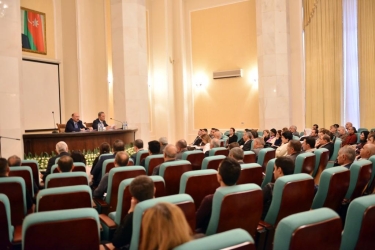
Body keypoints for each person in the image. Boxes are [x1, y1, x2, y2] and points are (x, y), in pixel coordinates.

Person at [195, 157, 241, 233]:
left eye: (218, 169)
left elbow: (195, 222)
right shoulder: (245, 195)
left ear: (219, 177)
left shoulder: (209, 200)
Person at [111, 175, 155, 249]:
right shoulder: (166, 209)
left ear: (134, 198)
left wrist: (130, 212)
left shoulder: (133, 217)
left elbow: (116, 242)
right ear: (154, 190)